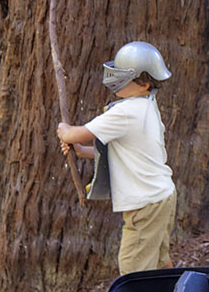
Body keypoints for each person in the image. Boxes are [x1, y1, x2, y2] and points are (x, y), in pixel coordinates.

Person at [57, 41, 177, 275]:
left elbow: (74, 133)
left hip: (146, 203)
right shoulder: (147, 106)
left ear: (143, 83)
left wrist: (64, 129)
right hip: (162, 195)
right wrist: (82, 151)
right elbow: (126, 153)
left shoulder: (125, 112)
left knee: (133, 268)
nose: (116, 78)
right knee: (160, 260)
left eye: (124, 75)